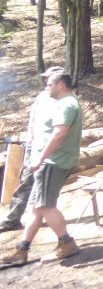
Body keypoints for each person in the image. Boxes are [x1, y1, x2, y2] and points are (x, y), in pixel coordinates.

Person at [2, 70, 82, 266]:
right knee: (38, 208)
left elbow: (59, 135)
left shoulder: (67, 105)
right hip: (47, 161)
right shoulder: (59, 103)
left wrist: (40, 159)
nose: (47, 88)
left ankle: (67, 243)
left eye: (50, 85)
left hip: (52, 162)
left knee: (45, 206)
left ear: (61, 85)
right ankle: (22, 249)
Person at [0, 66, 62, 233]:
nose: (46, 82)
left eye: (49, 79)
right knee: (26, 182)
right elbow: (33, 121)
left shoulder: (63, 100)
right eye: (45, 79)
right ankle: (13, 219)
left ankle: (46, 218)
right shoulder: (41, 97)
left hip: (51, 150)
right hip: (34, 146)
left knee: (45, 187)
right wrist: (29, 142)